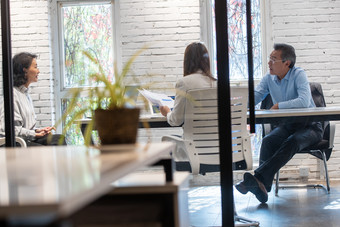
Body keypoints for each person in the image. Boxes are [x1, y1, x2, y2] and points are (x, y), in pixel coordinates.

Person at [235, 43, 323, 203]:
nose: (269, 63)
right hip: (288, 125)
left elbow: (304, 101)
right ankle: (263, 185)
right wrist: (236, 106)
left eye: (273, 59)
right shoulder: (269, 78)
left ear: (286, 63)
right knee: (268, 141)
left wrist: (278, 105)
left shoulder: (299, 74)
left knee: (293, 141)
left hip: (311, 126)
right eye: (269, 59)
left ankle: (259, 181)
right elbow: (255, 97)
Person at [0, 52, 66, 146]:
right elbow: (7, 129)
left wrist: (37, 130)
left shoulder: (25, 94)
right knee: (44, 150)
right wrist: (33, 134)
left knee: (59, 139)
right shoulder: (12, 96)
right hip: (17, 143)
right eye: (35, 67)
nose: (38, 71)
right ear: (25, 71)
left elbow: (23, 127)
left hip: (25, 139)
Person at [159, 42, 217, 125]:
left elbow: (176, 120)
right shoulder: (217, 84)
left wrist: (167, 112)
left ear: (187, 61)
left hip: (193, 137)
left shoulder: (183, 83)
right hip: (218, 137)